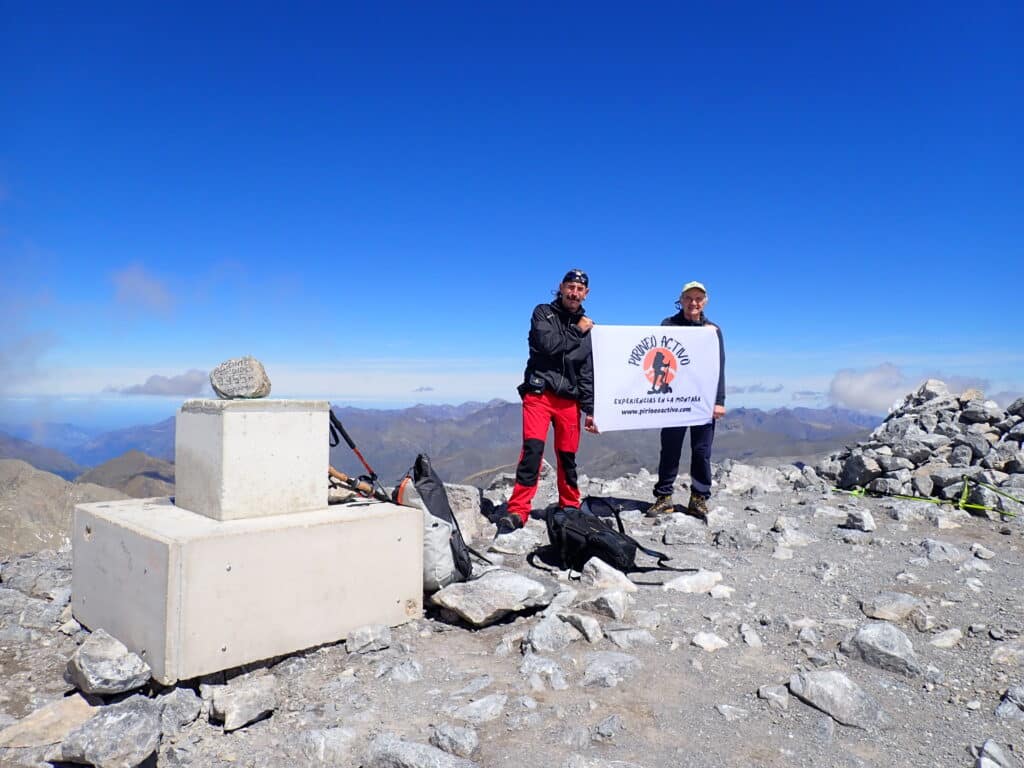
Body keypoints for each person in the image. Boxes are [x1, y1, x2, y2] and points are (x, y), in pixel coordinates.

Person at [497, 269, 598, 534]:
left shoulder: (588, 328)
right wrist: (578, 330)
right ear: (561, 287)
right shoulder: (544, 313)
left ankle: (570, 506)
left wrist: (590, 409)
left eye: (579, 289)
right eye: (570, 287)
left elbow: (587, 370)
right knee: (532, 451)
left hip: (570, 400)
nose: (574, 292)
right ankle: (518, 510)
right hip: (539, 394)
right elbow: (548, 345)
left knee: (567, 457)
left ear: (586, 294)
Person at [646, 280, 726, 520]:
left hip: (703, 399)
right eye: (689, 298)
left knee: (702, 450)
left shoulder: (713, 330)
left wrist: (719, 400)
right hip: (674, 399)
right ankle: (664, 497)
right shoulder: (668, 325)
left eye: (698, 299)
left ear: (705, 301)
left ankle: (699, 498)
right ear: (681, 300)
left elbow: (719, 367)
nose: (693, 303)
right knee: (670, 448)